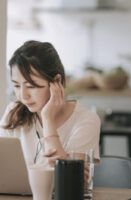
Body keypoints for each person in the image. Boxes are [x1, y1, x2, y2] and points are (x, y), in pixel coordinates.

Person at [0, 41, 101, 170]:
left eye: (32, 86)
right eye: (16, 86)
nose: (23, 96)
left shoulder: (86, 120)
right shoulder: (13, 112)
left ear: (56, 82)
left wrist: (48, 119)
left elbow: (70, 178)